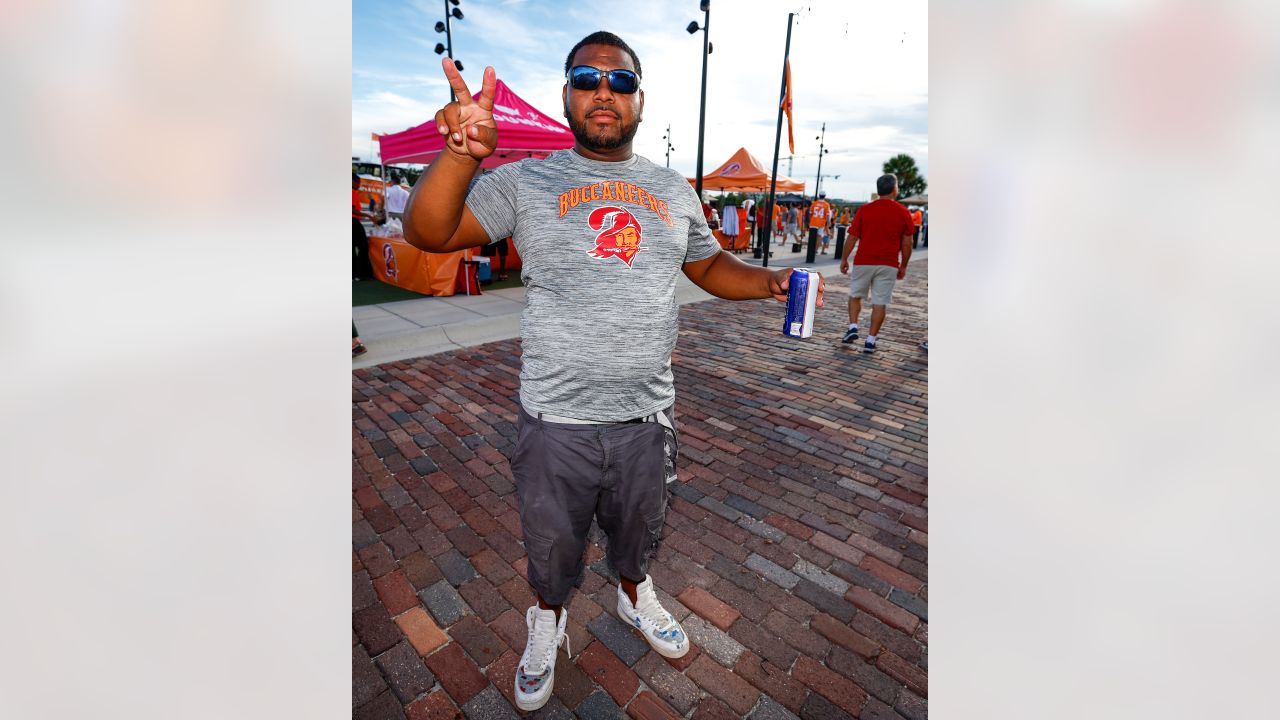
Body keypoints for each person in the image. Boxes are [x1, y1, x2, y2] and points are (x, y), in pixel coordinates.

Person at [402, 31, 824, 713]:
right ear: (567, 95)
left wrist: (766, 282)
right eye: (587, 79)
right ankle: (548, 621)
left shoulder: (670, 190)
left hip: (644, 417)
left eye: (620, 81)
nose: (604, 92)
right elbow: (429, 233)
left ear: (640, 100)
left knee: (638, 530)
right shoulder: (528, 179)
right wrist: (459, 156)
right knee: (552, 543)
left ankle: (633, 596)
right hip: (556, 419)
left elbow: (708, 265)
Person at [839, 173, 915, 353]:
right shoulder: (903, 212)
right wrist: (903, 264)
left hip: (864, 260)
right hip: (888, 263)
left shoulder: (865, 210)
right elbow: (907, 243)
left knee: (856, 294)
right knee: (880, 302)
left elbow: (852, 237)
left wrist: (844, 258)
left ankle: (853, 327)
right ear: (894, 190)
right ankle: (870, 341)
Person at [352, 173, 374, 280]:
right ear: (352, 181)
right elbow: (352, 209)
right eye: (358, 182)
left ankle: (353, 274)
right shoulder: (352, 192)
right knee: (363, 246)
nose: (359, 185)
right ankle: (361, 273)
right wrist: (367, 215)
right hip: (353, 222)